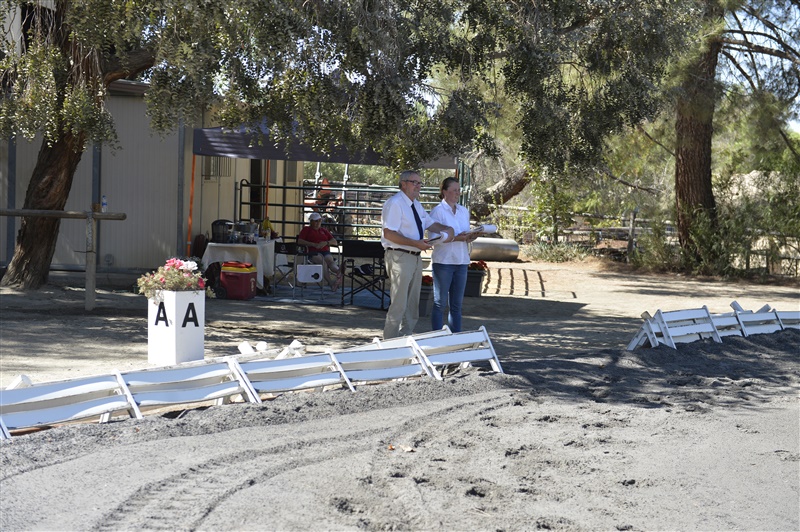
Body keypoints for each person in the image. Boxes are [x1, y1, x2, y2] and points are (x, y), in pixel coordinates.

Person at [381, 170, 454, 339]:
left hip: (414, 256)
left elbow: (430, 223)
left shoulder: (415, 205)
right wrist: (416, 243)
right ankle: (389, 342)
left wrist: (446, 228)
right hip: (400, 256)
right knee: (399, 303)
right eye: (414, 182)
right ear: (403, 184)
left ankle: (405, 338)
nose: (418, 186)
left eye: (420, 183)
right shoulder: (395, 203)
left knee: (412, 305)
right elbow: (389, 234)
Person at [428, 177, 479, 332]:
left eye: (458, 190)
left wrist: (471, 236)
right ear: (444, 192)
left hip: (461, 261)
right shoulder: (437, 211)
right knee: (440, 303)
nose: (457, 193)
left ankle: (455, 337)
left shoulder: (463, 211)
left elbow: (465, 235)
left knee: (457, 305)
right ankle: (437, 336)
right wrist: (457, 238)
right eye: (454, 190)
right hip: (444, 262)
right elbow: (433, 239)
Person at [297, 212, 342, 290]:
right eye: (316, 221)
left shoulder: (324, 230)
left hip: (325, 251)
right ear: (311, 221)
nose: (318, 223)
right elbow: (300, 241)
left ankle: (338, 271)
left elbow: (334, 241)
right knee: (323, 262)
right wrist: (313, 244)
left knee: (330, 261)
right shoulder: (306, 229)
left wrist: (326, 243)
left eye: (319, 221)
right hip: (313, 252)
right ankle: (331, 283)